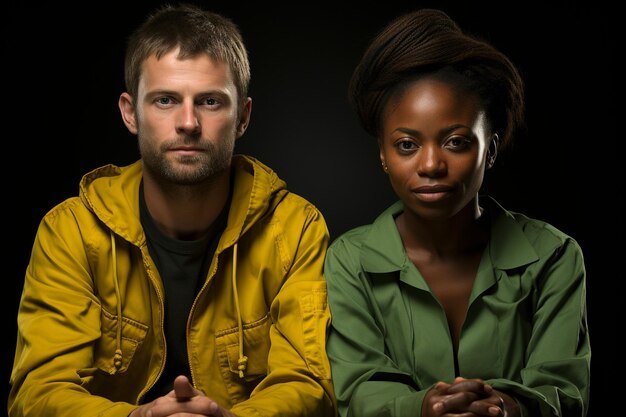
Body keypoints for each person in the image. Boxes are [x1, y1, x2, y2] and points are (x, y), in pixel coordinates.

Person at [8, 4, 336, 417]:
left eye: (210, 102)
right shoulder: (70, 231)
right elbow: (37, 393)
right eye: (165, 100)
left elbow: (309, 386)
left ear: (243, 118)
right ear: (130, 113)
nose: (188, 122)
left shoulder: (296, 229)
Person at [324, 8, 590, 417]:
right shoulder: (349, 262)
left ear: (492, 150)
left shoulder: (554, 256)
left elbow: (565, 390)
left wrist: (505, 406)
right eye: (407, 145)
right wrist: (422, 409)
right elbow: (356, 392)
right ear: (382, 155)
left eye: (456, 142)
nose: (431, 165)